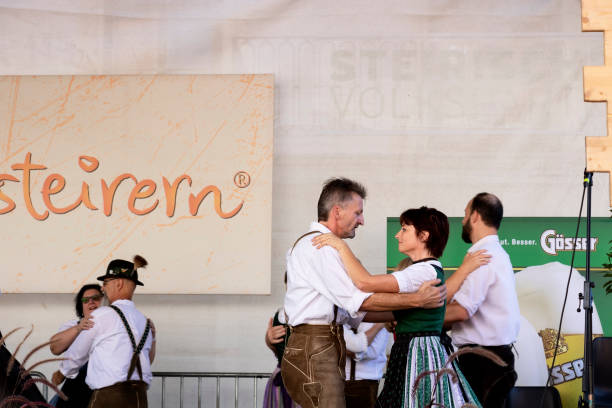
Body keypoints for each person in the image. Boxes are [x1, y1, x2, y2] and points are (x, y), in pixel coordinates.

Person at [281, 178, 448, 408]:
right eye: (358, 213)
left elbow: (356, 311)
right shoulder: (320, 247)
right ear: (337, 211)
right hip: (315, 346)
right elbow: (359, 293)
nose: (362, 220)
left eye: (404, 229)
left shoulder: (322, 246)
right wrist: (416, 300)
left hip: (321, 345)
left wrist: (405, 309)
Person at [313, 206, 487, 408]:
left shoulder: (424, 271)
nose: (397, 235)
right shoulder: (425, 270)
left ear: (424, 235)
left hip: (419, 354)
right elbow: (390, 312)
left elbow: (365, 282)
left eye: (404, 229)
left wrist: (341, 246)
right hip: (412, 350)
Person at [443, 193, 520, 408]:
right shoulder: (495, 253)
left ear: (475, 216)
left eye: (465, 214)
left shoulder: (483, 256)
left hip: (483, 362)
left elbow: (461, 311)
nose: (462, 220)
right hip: (488, 359)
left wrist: (419, 320)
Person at [55, 255, 156, 408]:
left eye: (106, 282)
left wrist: (63, 372)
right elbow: (147, 359)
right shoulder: (145, 322)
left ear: (119, 283)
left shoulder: (102, 315)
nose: (103, 287)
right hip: (139, 398)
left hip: (109, 398)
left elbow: (78, 351)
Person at [50, 284, 104, 407]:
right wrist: (79, 328)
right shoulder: (73, 325)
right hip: (76, 389)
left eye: (95, 298)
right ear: (81, 305)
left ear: (104, 300)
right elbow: (54, 348)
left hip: (102, 388)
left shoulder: (112, 323)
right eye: (85, 300)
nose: (91, 302)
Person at [343, 322, 389, 408]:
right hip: (338, 382)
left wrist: (342, 348)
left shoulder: (380, 318)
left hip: (366, 382)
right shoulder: (340, 314)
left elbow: (372, 352)